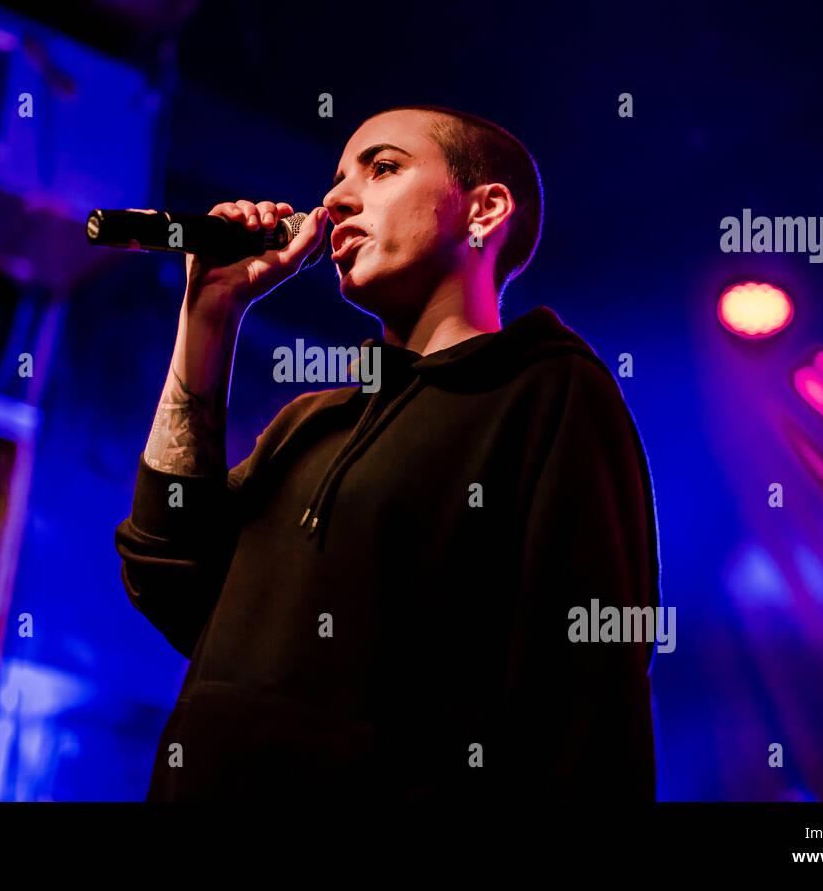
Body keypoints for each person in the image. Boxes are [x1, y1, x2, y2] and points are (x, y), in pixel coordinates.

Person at [115, 104, 661, 800]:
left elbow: (586, 696)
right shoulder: (310, 423)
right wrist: (210, 313)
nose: (337, 200)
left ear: (484, 211)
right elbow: (166, 577)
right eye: (339, 178)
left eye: (381, 168)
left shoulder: (552, 393)